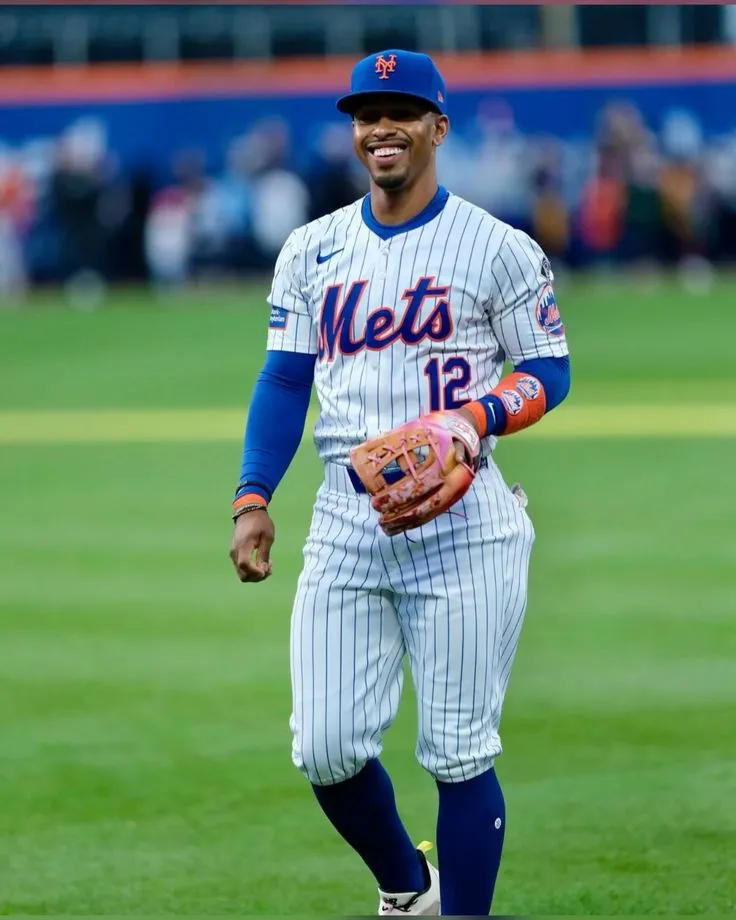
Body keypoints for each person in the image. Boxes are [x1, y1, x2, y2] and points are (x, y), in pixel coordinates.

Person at [229, 49, 571, 916]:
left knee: (458, 751)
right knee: (326, 749)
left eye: (402, 111)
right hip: (346, 522)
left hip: (466, 525)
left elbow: (547, 372)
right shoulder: (312, 249)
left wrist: (475, 419)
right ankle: (407, 890)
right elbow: (282, 381)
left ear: (437, 128)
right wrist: (253, 497)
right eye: (366, 112)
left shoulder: (498, 248)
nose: (381, 127)